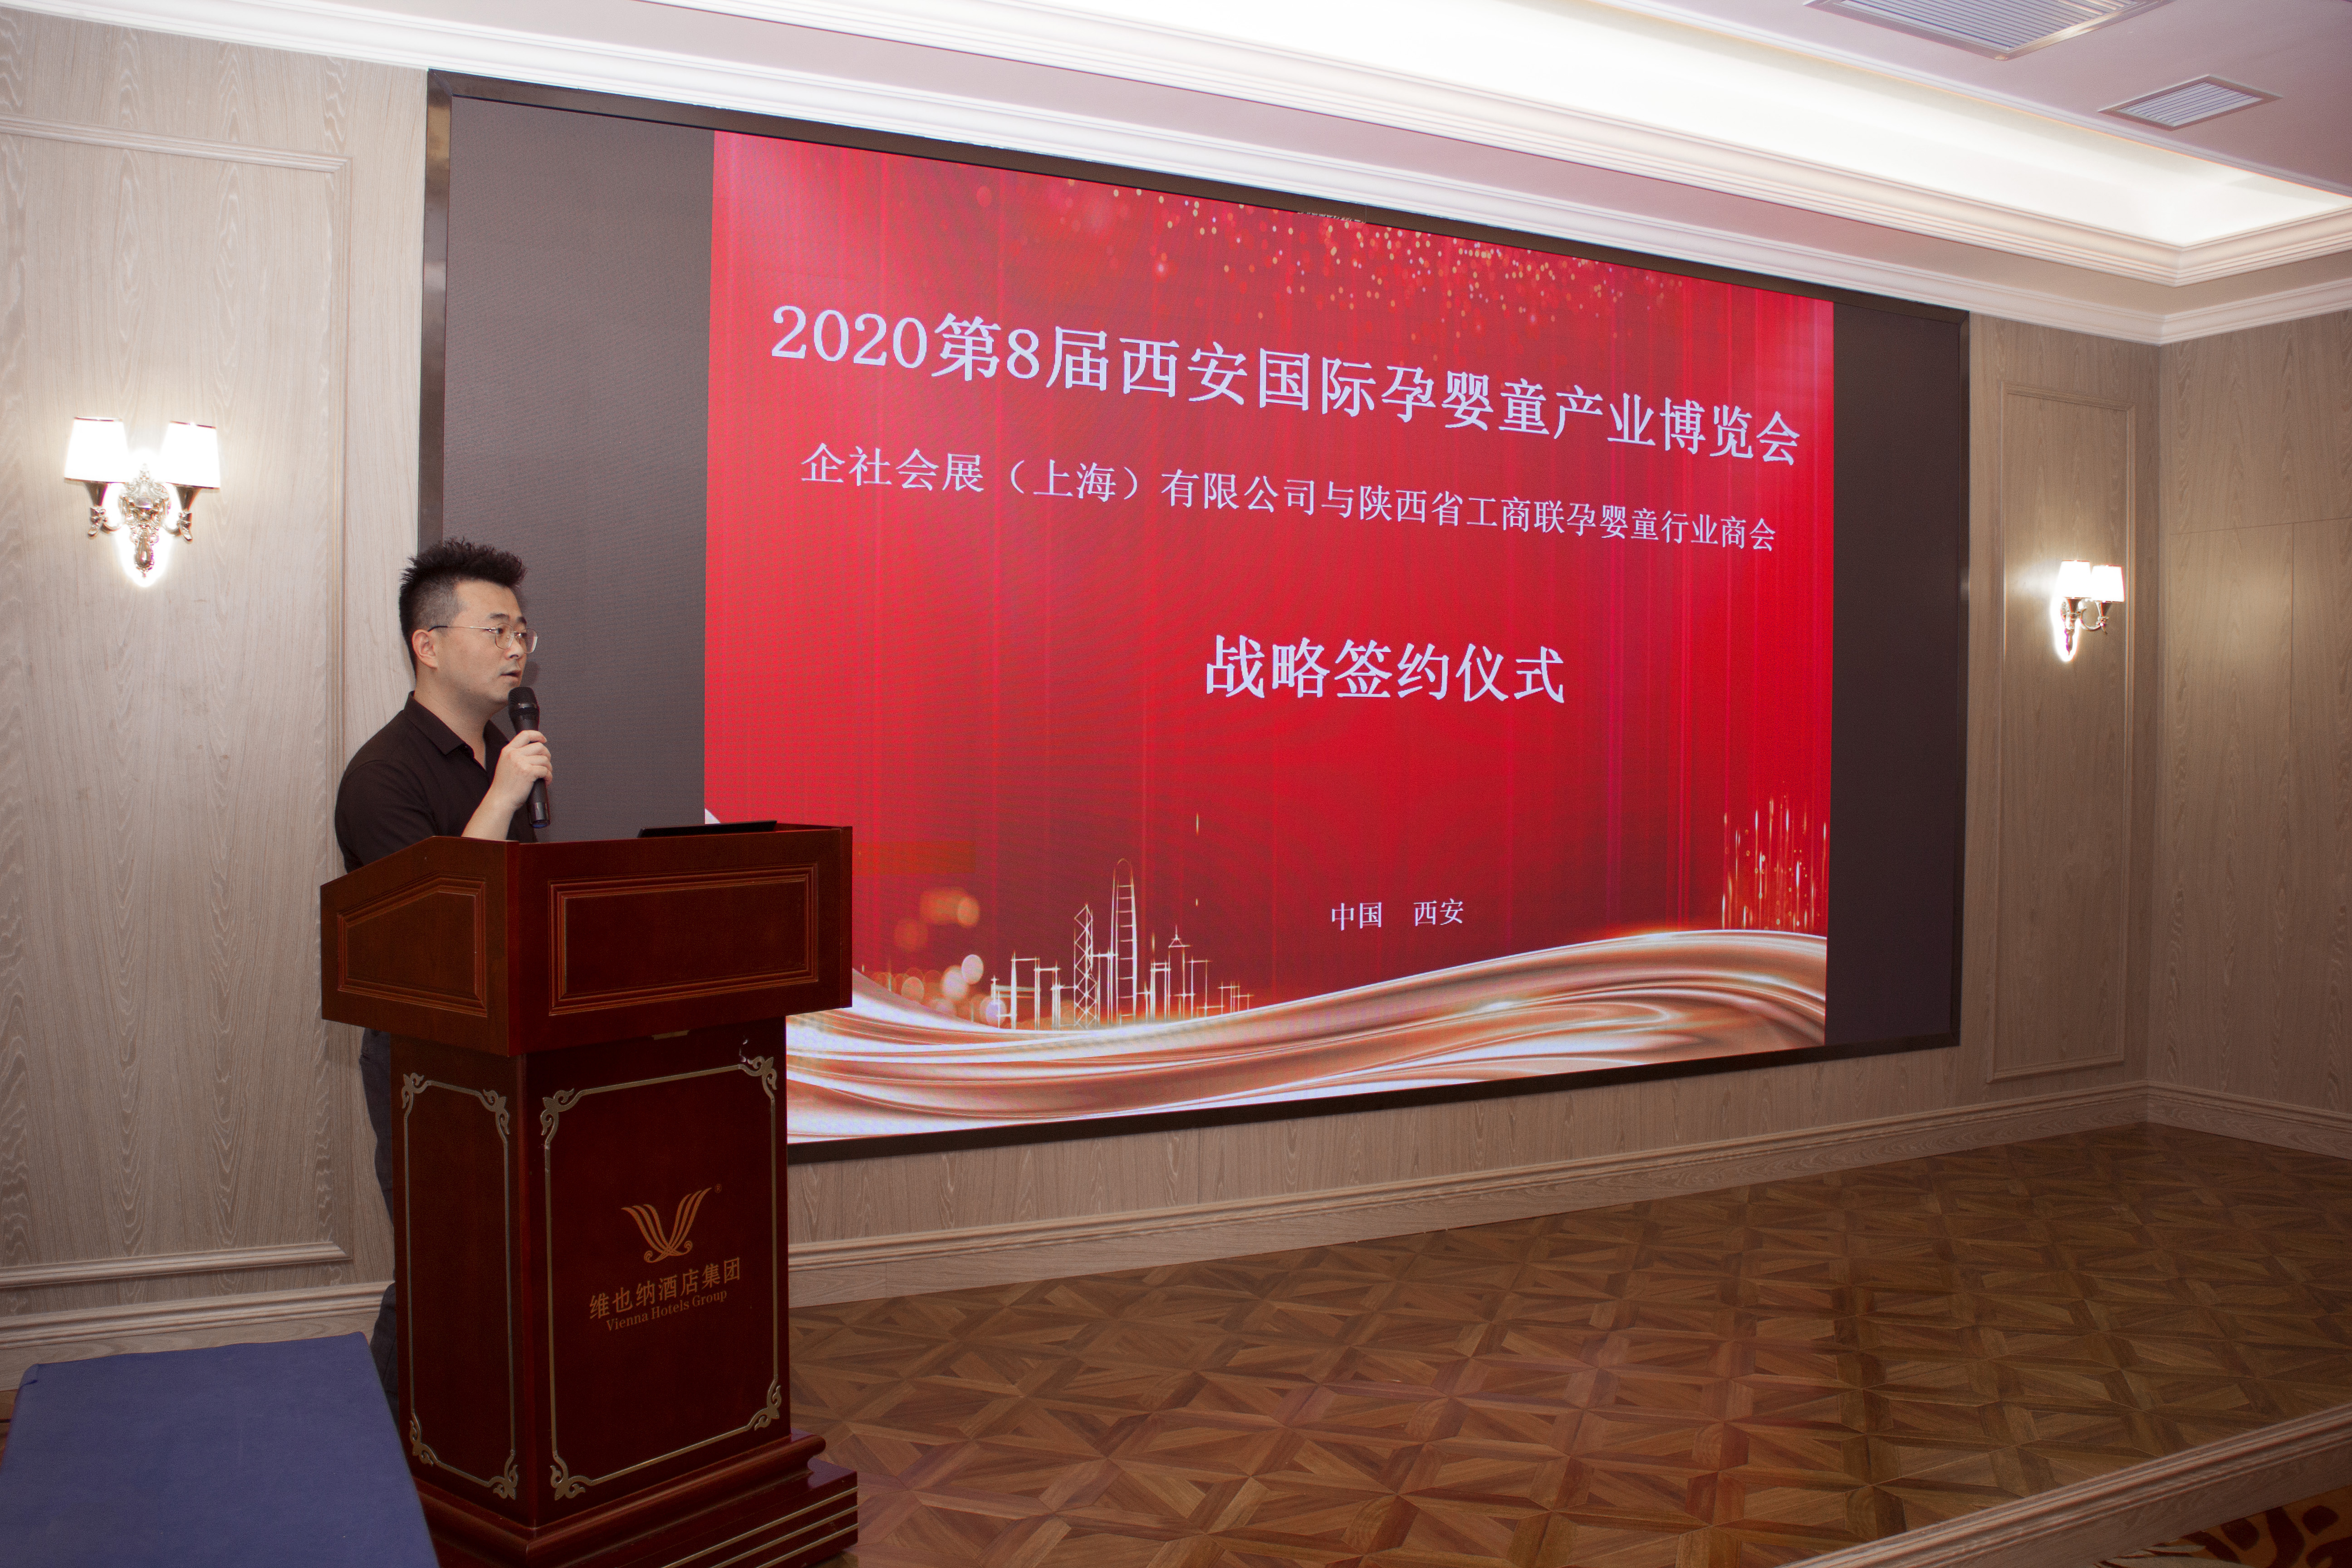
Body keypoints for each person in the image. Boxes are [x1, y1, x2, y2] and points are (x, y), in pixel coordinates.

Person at [333, 538, 552, 1405]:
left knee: (506, 1256)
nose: (515, 648)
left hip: (508, 1040)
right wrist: (502, 799)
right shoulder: (382, 775)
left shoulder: (499, 755)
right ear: (427, 645)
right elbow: (434, 927)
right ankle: (383, 1449)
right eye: (495, 629)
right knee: (441, 1262)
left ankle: (485, 1437)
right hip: (424, 1058)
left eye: (522, 631)